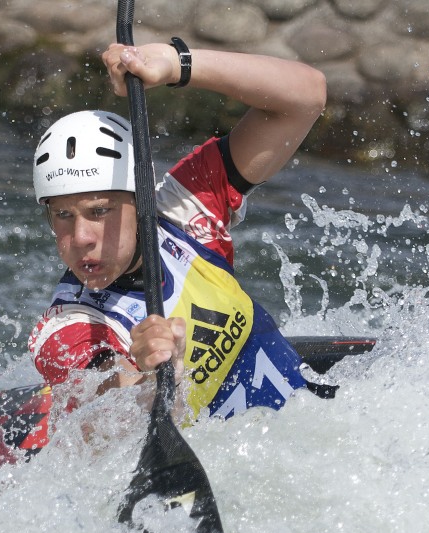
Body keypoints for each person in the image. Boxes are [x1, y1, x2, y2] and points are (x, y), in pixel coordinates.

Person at [28, 38, 328, 422]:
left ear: (143, 204)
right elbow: (111, 422)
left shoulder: (186, 207)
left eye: (100, 211)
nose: (81, 238)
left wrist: (176, 64)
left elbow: (306, 97)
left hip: (315, 431)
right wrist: (156, 377)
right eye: (63, 215)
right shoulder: (67, 329)